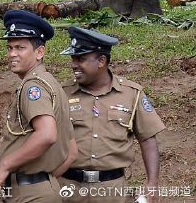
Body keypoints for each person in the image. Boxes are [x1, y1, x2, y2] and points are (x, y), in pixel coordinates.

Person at [59, 27, 165, 203]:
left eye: (81, 59)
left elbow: (147, 140)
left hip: (113, 192)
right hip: (68, 190)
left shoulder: (132, 94)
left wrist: (152, 182)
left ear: (101, 61)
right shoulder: (62, 94)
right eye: (73, 59)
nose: (73, 64)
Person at [0, 10, 77, 202]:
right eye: (10, 48)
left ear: (40, 52)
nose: (12, 54)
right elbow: (71, 151)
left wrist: (6, 165)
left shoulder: (33, 86)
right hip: (39, 188)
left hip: (28, 193)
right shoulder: (52, 83)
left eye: (20, 48)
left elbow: (47, 134)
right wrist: (45, 182)